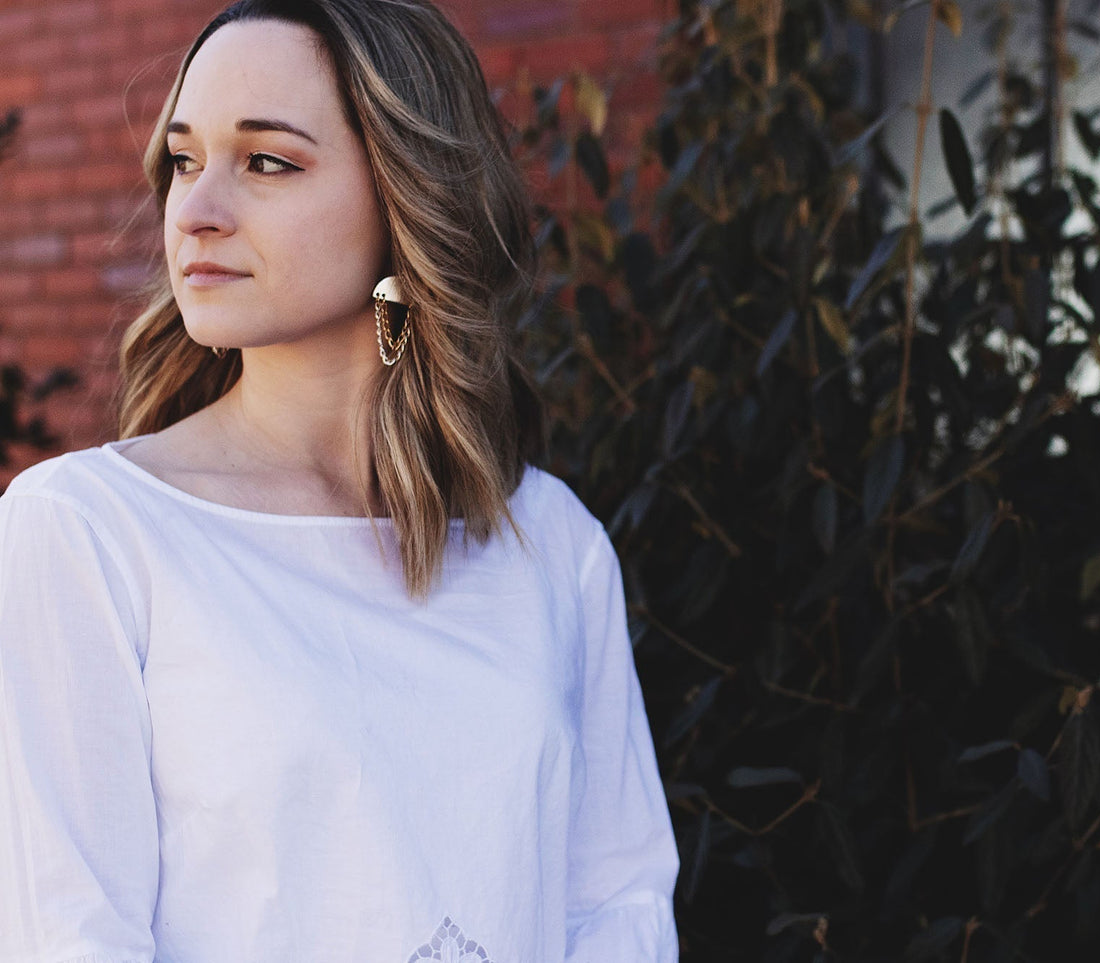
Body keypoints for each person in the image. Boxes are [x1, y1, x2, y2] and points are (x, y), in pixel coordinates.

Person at [0, 0, 680, 960]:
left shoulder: (548, 542)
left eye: (267, 161)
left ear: (403, 197)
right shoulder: (87, 535)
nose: (194, 210)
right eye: (184, 160)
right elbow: (64, 936)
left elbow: (616, 909)